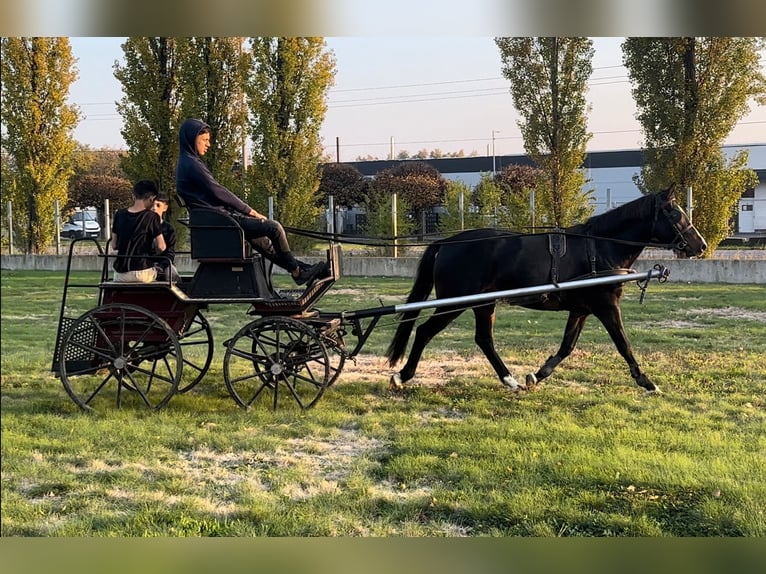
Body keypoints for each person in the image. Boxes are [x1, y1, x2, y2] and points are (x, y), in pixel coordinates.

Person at [175, 118, 328, 286]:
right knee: (274, 228)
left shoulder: (189, 162)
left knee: (263, 242)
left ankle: (304, 270)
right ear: (192, 138)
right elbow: (218, 191)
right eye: (205, 140)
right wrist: (250, 212)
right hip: (222, 222)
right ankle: (298, 273)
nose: (208, 144)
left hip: (220, 220)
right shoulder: (191, 164)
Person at [111, 180, 166, 283]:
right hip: (142, 272)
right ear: (152, 198)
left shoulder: (119, 214)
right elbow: (161, 246)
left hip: (120, 274)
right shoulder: (152, 216)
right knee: (171, 276)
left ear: (134, 195)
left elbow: (114, 245)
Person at [150, 195, 181, 283]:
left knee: (172, 275)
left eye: (158, 205)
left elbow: (170, 253)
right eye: (152, 205)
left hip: (165, 263)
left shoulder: (169, 229)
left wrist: (161, 266)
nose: (154, 208)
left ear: (165, 208)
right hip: (146, 264)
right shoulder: (142, 227)